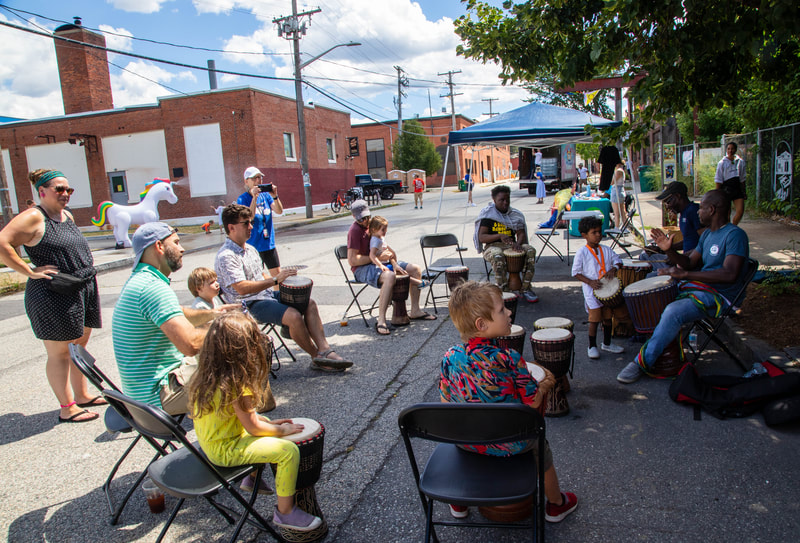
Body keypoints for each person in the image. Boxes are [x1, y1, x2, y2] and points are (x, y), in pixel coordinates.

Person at [440, 281, 578, 522]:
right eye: (502, 310)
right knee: (540, 447)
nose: (509, 312)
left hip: (467, 442)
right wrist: (544, 384)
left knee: (463, 431)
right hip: (513, 444)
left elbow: (446, 402)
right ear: (481, 325)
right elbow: (533, 403)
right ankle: (557, 504)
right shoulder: (509, 358)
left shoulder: (451, 357)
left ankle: (459, 503)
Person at [189, 312, 323, 532]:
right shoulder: (238, 383)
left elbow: (244, 419)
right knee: (288, 451)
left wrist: (269, 424)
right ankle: (285, 512)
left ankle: (251, 479)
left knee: (266, 422)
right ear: (245, 349)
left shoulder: (209, 375)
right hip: (226, 450)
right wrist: (281, 430)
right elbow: (252, 427)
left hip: (212, 443)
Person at [0, 169, 103, 423]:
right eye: (59, 189)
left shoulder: (65, 215)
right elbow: (2, 241)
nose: (65, 194)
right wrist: (28, 270)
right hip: (53, 292)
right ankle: (67, 407)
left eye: (69, 190)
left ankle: (82, 395)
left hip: (82, 286)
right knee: (60, 353)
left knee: (78, 346)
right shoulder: (34, 217)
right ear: (42, 191)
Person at [617, 190, 750, 384]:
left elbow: (729, 275)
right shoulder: (707, 236)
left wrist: (685, 275)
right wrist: (668, 250)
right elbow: (688, 262)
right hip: (701, 288)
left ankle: (641, 362)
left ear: (712, 210)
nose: (698, 212)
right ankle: (665, 350)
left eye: (702, 207)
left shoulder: (734, 235)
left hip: (720, 296)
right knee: (653, 289)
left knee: (673, 311)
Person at [112, 222, 235, 414]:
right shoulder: (152, 288)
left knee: (220, 358)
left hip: (142, 393)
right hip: (157, 395)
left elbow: (179, 313)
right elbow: (190, 345)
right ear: (159, 246)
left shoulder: (142, 280)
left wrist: (214, 314)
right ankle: (243, 435)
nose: (182, 248)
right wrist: (232, 329)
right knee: (237, 364)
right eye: (176, 242)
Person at [216, 204, 353, 371]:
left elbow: (263, 276)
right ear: (231, 227)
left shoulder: (250, 249)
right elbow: (242, 288)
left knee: (308, 302)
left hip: (265, 296)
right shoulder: (226, 256)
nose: (251, 227)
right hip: (246, 304)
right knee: (294, 315)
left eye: (250, 222)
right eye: (246, 223)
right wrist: (275, 280)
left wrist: (285, 284)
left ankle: (325, 349)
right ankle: (316, 357)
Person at [347, 199, 435, 336]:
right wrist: (379, 257)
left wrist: (394, 263)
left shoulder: (373, 225)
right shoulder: (354, 231)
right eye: (361, 219)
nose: (365, 221)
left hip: (380, 262)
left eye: (367, 217)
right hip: (362, 268)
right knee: (390, 276)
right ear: (354, 217)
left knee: (415, 269)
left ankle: (415, 310)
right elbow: (352, 260)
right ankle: (381, 319)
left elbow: (391, 252)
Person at [572, 216, 628, 359]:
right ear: (584, 235)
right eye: (594, 232)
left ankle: (607, 344)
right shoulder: (582, 252)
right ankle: (591, 346)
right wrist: (590, 282)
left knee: (608, 318)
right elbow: (575, 272)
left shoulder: (607, 250)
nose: (598, 235)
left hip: (607, 291)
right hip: (592, 292)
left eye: (599, 232)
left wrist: (614, 269)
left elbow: (618, 261)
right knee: (594, 320)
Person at [474, 185, 539, 303]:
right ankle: (503, 291)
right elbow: (482, 237)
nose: (505, 202)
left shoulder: (514, 214)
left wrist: (518, 244)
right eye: (501, 200)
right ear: (494, 200)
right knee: (498, 255)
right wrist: (499, 236)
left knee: (530, 250)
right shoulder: (488, 215)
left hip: (511, 245)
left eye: (507, 199)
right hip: (492, 246)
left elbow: (521, 233)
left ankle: (526, 288)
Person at [640, 181, 704, 271]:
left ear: (678, 196)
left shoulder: (693, 211)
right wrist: (663, 249)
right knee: (645, 255)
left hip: (690, 263)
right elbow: (688, 241)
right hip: (684, 259)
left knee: (647, 266)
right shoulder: (684, 213)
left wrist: (679, 257)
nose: (668, 206)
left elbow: (704, 242)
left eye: (668, 202)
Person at [237, 167, 284, 281]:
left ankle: (277, 297)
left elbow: (279, 211)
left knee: (278, 277)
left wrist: (275, 196)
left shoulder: (266, 196)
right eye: (254, 178)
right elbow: (250, 217)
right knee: (256, 278)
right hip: (253, 246)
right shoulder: (242, 199)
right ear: (246, 181)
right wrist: (254, 198)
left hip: (268, 244)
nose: (258, 181)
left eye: (260, 177)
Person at [368, 216, 428, 288]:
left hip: (386, 262)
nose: (385, 231)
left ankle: (418, 282)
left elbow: (389, 250)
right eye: (383, 230)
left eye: (386, 229)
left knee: (400, 271)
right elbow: (372, 255)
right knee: (398, 273)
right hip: (381, 264)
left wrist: (393, 260)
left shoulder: (380, 238)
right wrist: (380, 265)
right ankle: (418, 282)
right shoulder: (375, 241)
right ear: (374, 229)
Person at [714, 141, 746, 225]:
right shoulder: (722, 163)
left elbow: (743, 178)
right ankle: (727, 230)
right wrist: (717, 194)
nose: (730, 151)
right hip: (726, 188)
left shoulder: (740, 162)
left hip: (737, 188)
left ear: (735, 150)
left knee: (740, 211)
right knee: (726, 213)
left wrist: (744, 191)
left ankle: (734, 226)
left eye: (732, 149)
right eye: (728, 149)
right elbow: (718, 179)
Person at [609, 163, 626, 228]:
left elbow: (612, 182)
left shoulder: (618, 171)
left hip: (616, 191)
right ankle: (625, 226)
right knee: (622, 211)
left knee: (616, 212)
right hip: (620, 190)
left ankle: (616, 227)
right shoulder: (620, 171)